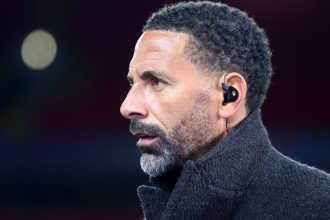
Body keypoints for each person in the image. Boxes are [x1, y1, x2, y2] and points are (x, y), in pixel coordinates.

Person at [120, 1, 330, 219]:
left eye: (157, 82)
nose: (127, 107)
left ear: (229, 96)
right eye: (132, 83)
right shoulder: (167, 201)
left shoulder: (320, 206)